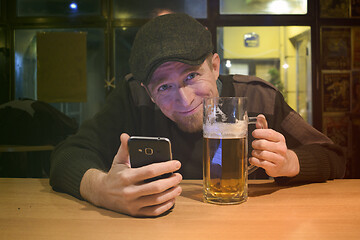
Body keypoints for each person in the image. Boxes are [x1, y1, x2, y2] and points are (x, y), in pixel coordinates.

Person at [50, 13, 346, 217]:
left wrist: (290, 162)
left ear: (215, 66)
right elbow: (67, 155)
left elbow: (334, 158)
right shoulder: (132, 99)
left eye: (192, 76)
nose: (185, 99)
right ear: (148, 91)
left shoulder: (258, 97)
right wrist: (101, 190)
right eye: (164, 86)